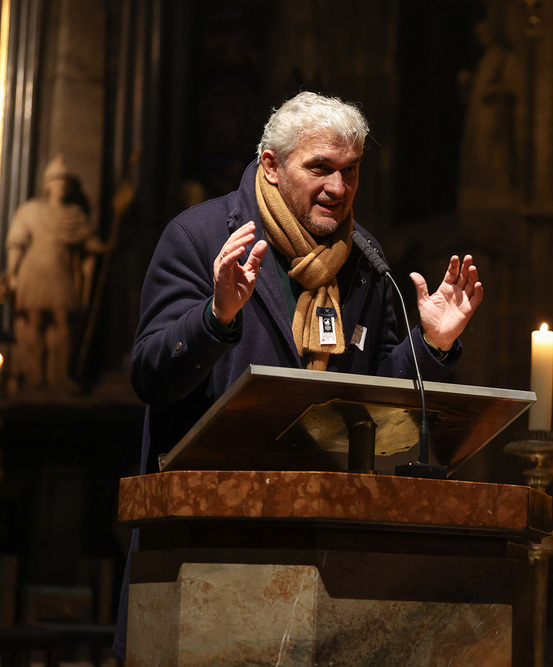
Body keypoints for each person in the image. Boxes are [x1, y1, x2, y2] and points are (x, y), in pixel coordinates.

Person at [113, 91, 483, 658]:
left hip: (325, 556)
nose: (339, 187)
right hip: (205, 547)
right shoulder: (201, 236)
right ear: (271, 165)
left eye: (350, 171)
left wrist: (432, 342)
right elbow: (150, 378)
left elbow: (378, 402)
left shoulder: (364, 259)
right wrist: (215, 319)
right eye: (320, 168)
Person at [5, 155, 103, 393]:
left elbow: (89, 243)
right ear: (47, 185)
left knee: (62, 321)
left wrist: (109, 245)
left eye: (64, 182)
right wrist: (12, 272)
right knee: (34, 320)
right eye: (57, 180)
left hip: (59, 273)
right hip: (33, 271)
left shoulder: (74, 215)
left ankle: (59, 375)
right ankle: (34, 375)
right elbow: (17, 242)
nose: (61, 185)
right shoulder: (30, 210)